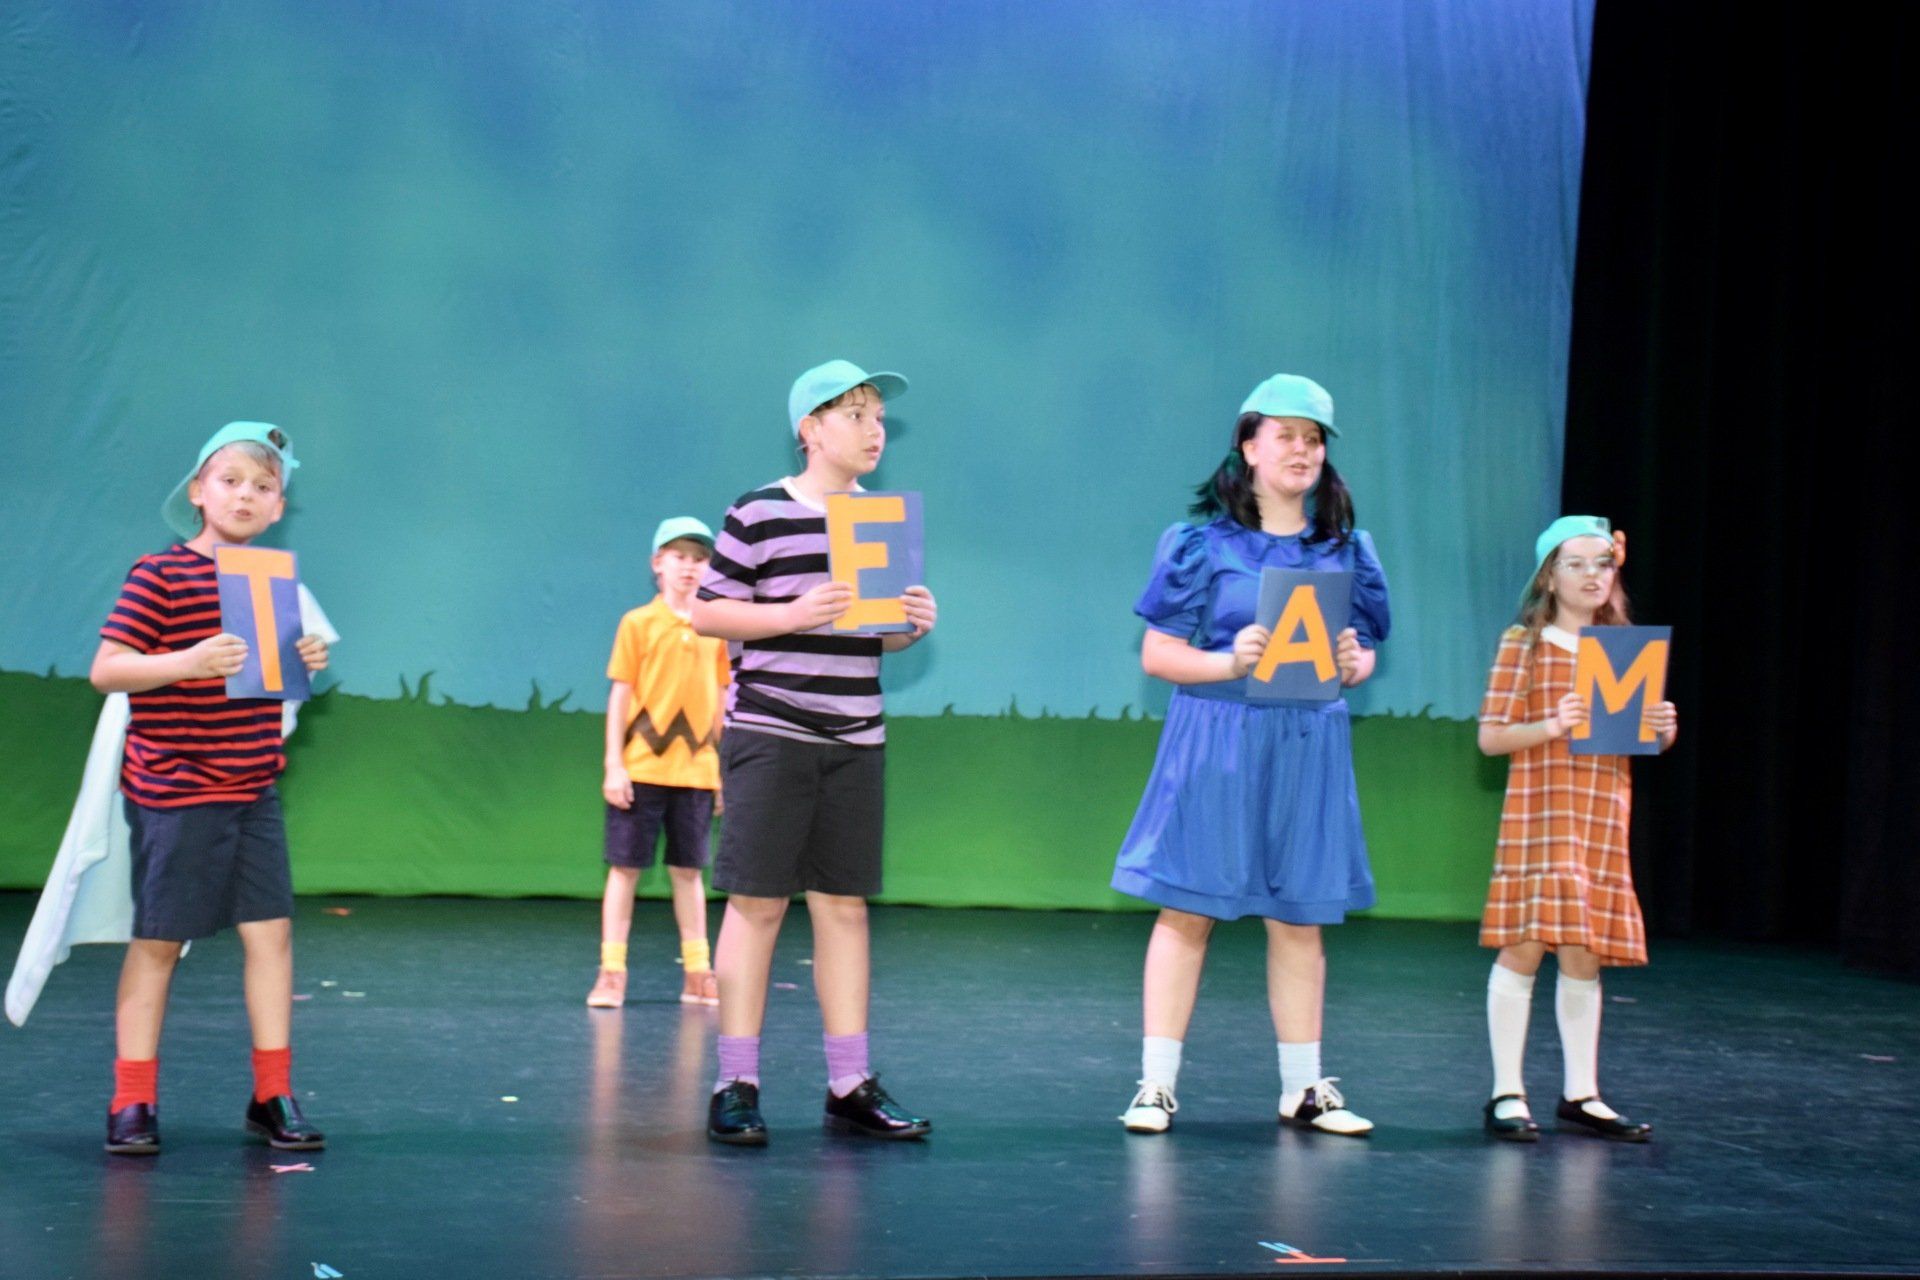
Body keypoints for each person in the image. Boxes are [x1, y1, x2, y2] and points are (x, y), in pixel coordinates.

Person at [1112, 374, 1389, 1137]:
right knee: (1187, 909)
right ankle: (1155, 1085)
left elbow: (1362, 651)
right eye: (1286, 435)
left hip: (1308, 742)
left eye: (1314, 438)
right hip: (1217, 737)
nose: (1303, 450)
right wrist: (1227, 661)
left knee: (1299, 917)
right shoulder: (1200, 544)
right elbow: (1159, 654)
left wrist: (1353, 663)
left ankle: (1304, 1089)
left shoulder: (1346, 550)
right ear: (1249, 445)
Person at [691, 359, 936, 1145]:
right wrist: (790, 613)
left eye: (878, 417)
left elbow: (878, 635)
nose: (874, 430)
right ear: (811, 430)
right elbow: (708, 613)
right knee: (758, 902)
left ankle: (849, 1083)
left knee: (844, 905)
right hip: (772, 729)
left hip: (856, 735)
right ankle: (736, 1081)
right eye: (855, 414)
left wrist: (909, 626)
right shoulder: (759, 511)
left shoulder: (879, 521)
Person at [87, 422, 330, 1155]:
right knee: (161, 941)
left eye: (263, 486)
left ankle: (272, 1093)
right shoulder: (159, 574)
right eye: (230, 481)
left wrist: (302, 660)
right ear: (198, 491)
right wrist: (184, 661)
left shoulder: (271, 583)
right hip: (176, 786)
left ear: (279, 506)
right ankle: (131, 1099)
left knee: (271, 934)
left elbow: (268, 685)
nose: (245, 496)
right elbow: (108, 669)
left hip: (252, 784)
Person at [1476, 515, 1676, 1143]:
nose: (1592, 575)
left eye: (1602, 563)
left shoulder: (1623, 650)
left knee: (1585, 952)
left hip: (1601, 813)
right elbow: (1491, 738)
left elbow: (1633, 738)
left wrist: (1662, 732)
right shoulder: (1525, 643)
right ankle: (1506, 1092)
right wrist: (1551, 725)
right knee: (1526, 943)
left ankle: (1581, 1094)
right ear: (1549, 577)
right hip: (1542, 812)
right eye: (1576, 564)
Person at [587, 516, 731, 1010]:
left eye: (699, 559)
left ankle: (698, 973)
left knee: (689, 872)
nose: (689, 567)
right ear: (658, 564)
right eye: (679, 557)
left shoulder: (717, 627)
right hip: (642, 770)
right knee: (625, 869)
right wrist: (614, 764)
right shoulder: (638, 623)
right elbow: (621, 694)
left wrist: (723, 771)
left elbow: (721, 700)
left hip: (696, 772)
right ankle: (611, 973)